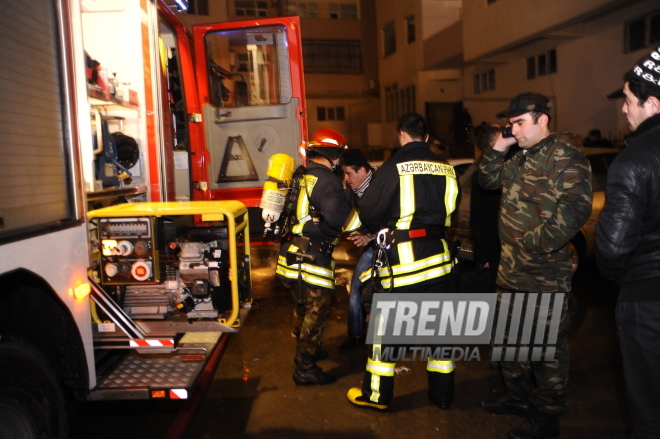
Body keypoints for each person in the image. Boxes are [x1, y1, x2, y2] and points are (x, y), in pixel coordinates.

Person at [479, 93, 592, 439]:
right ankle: (517, 398)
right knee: (511, 342)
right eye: (510, 124)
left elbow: (575, 211)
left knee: (546, 351)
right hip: (511, 273)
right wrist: (499, 145)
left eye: (519, 123)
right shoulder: (519, 157)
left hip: (543, 276)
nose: (513, 129)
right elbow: (486, 180)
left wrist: (531, 243)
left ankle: (547, 416)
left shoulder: (566, 158)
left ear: (543, 120)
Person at [346, 113, 459, 410]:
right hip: (441, 261)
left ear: (401, 135)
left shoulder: (392, 167)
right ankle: (442, 396)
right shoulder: (446, 168)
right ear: (426, 136)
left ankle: (376, 396)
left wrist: (380, 227)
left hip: (405, 267)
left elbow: (369, 211)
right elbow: (452, 210)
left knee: (387, 337)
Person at [595, 48, 660, 439]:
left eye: (629, 100)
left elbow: (613, 248)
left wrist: (614, 275)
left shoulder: (634, 161)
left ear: (652, 104)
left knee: (650, 413)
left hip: (648, 303)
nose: (623, 110)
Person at [275, 128, 351, 386]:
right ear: (333, 154)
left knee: (302, 308)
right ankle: (305, 369)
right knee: (315, 315)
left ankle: (311, 349)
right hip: (314, 259)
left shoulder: (301, 175)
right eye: (339, 156)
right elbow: (337, 218)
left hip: (292, 256)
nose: (339, 162)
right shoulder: (328, 181)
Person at [337, 148, 374, 351]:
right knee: (358, 286)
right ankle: (356, 335)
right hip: (370, 244)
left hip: (389, 244)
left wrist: (371, 236)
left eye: (349, 173)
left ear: (362, 170)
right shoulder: (353, 190)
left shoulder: (380, 187)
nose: (346, 178)